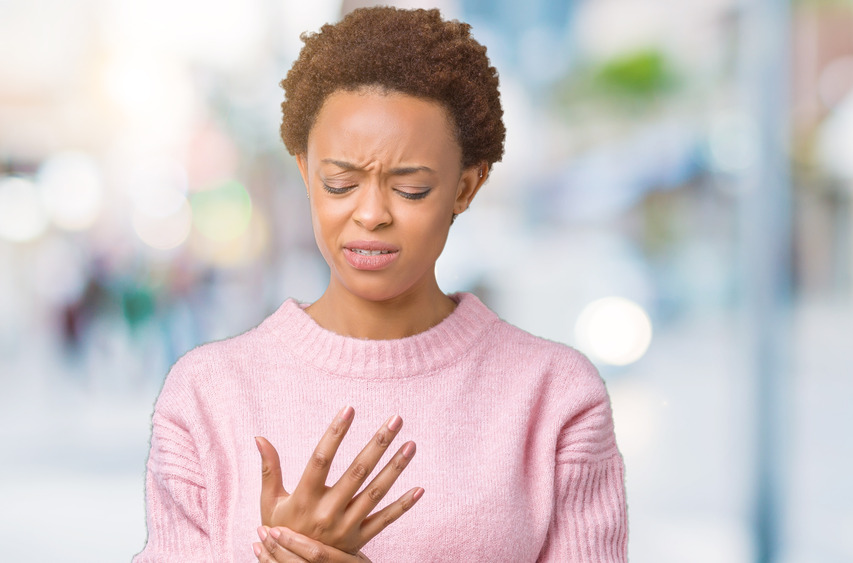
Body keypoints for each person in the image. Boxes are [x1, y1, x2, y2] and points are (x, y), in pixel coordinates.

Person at [134, 7, 627, 562]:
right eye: (340, 183)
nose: (370, 214)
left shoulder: (555, 399)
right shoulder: (206, 395)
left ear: (467, 187)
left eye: (411, 189)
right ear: (304, 172)